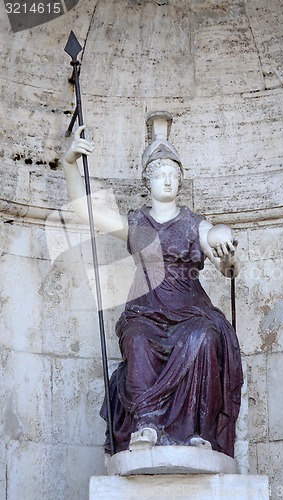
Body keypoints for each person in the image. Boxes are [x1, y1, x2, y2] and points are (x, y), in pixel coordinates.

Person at [61, 117, 243, 458]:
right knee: (137, 339)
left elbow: (226, 266)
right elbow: (84, 210)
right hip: (145, 310)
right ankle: (146, 424)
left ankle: (196, 432)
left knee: (204, 337)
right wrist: (70, 163)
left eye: (174, 175)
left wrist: (230, 255)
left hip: (190, 311)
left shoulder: (194, 224)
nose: (168, 181)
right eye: (161, 174)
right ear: (148, 180)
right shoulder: (137, 224)